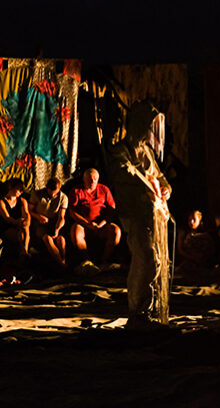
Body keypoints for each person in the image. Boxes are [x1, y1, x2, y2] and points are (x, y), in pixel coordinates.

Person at [107, 102, 172, 328]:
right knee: (144, 258)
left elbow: (160, 177)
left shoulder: (147, 152)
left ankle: (148, 307)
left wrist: (164, 189)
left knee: (155, 260)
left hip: (152, 212)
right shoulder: (120, 150)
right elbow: (125, 171)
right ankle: (138, 309)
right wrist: (148, 181)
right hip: (134, 212)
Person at [69, 169, 121, 269]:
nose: (93, 181)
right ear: (84, 180)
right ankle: (86, 261)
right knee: (76, 231)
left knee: (116, 231)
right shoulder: (76, 191)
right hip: (84, 225)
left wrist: (101, 224)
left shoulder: (104, 189)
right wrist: (87, 224)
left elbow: (111, 210)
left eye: (95, 179)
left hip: (101, 225)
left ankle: (104, 261)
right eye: (90, 179)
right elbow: (72, 212)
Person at [28, 177, 68, 268]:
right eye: (51, 192)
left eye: (56, 192)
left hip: (54, 224)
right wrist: (38, 216)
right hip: (40, 225)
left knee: (61, 239)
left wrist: (57, 229)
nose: (53, 194)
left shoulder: (63, 197)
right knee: (48, 239)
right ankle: (62, 265)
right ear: (47, 188)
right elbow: (29, 211)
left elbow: (62, 217)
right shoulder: (36, 194)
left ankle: (63, 260)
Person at [0, 178, 30, 264]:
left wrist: (25, 222)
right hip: (6, 227)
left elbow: (27, 214)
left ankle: (24, 253)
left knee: (25, 229)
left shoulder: (22, 201)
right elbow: (7, 217)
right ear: (11, 187)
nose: (21, 191)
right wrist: (18, 222)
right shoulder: (2, 202)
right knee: (20, 233)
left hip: (20, 226)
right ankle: (24, 253)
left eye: (22, 190)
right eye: (19, 189)